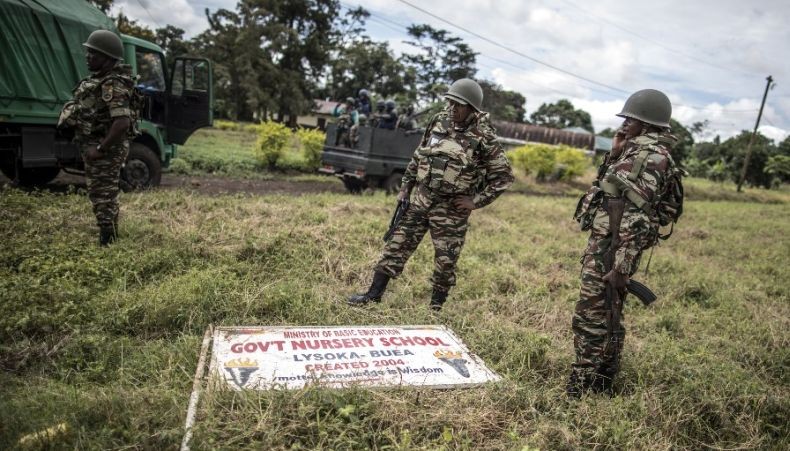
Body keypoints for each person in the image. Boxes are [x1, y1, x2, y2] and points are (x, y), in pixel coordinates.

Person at [347, 78, 514, 311]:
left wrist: (474, 202)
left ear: (472, 108)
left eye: (459, 105)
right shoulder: (439, 121)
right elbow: (420, 154)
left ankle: (435, 309)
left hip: (451, 210)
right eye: (451, 102)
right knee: (396, 246)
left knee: (445, 261)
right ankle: (373, 295)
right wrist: (406, 186)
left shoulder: (484, 137)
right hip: (421, 199)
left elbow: (504, 177)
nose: (453, 109)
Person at [567, 89, 684, 397]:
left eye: (630, 118)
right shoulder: (643, 154)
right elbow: (615, 190)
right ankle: (604, 380)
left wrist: (621, 265)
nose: (623, 124)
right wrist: (615, 153)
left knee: (590, 316)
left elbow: (637, 215)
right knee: (609, 312)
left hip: (613, 248)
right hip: (613, 244)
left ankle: (582, 385)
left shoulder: (647, 158)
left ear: (645, 123)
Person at [59, 30, 136, 246]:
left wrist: (100, 149)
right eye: (88, 52)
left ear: (107, 58)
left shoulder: (113, 84)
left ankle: (108, 244)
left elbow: (122, 123)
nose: (87, 57)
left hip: (106, 149)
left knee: (103, 196)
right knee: (102, 194)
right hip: (98, 145)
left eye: (93, 54)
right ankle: (109, 237)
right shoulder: (99, 80)